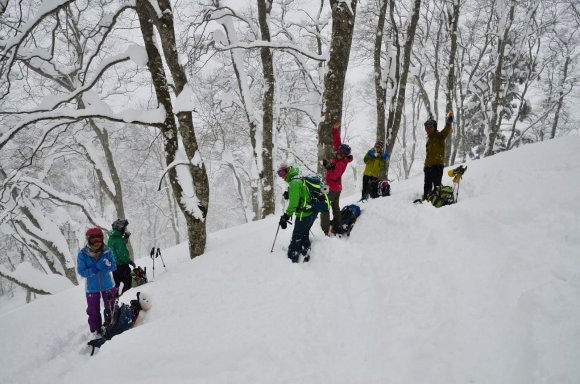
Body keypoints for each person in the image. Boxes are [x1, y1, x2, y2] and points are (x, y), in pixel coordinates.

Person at [77, 228, 117, 337]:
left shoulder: (107, 251)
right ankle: (96, 332)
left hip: (108, 285)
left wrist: (109, 266)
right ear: (89, 240)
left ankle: (112, 328)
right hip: (91, 288)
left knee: (111, 307)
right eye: (94, 241)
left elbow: (114, 266)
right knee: (93, 311)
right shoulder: (82, 254)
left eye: (99, 241)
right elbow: (81, 272)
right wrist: (96, 268)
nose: (97, 244)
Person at [86, 291, 152, 356]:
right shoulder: (134, 311)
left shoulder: (133, 311)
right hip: (114, 325)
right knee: (109, 308)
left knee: (108, 309)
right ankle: (100, 331)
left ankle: (98, 332)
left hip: (113, 327)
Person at [277, 164, 318, 263]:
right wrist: (290, 193)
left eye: (282, 173)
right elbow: (301, 193)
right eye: (279, 173)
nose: (281, 176)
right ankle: (306, 253)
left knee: (297, 236)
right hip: (312, 211)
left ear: (287, 171)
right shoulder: (298, 177)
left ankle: (292, 260)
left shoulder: (294, 182)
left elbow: (293, 204)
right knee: (304, 233)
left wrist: (286, 216)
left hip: (304, 214)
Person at [321, 123, 353, 235]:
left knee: (324, 206)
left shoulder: (342, 163)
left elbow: (334, 176)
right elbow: (337, 142)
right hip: (335, 188)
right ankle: (338, 225)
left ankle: (326, 230)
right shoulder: (339, 155)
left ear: (345, 155)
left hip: (332, 188)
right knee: (335, 207)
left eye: (341, 153)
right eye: (339, 152)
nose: (338, 154)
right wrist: (335, 130)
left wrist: (328, 167)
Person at [423, 111, 453, 200]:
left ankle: (438, 201)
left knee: (437, 185)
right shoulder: (428, 140)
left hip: (437, 166)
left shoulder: (439, 136)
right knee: (427, 186)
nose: (428, 129)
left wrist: (449, 121)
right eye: (426, 127)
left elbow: (446, 130)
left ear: (434, 127)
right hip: (428, 167)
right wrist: (425, 166)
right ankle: (425, 199)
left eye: (430, 127)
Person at [108, 219, 135, 295]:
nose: (126, 229)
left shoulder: (112, 238)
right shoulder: (118, 240)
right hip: (122, 266)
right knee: (127, 285)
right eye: (125, 228)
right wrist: (129, 261)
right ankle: (124, 300)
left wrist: (125, 238)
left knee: (117, 285)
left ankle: (115, 301)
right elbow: (122, 254)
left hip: (114, 267)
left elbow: (117, 247)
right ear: (121, 228)